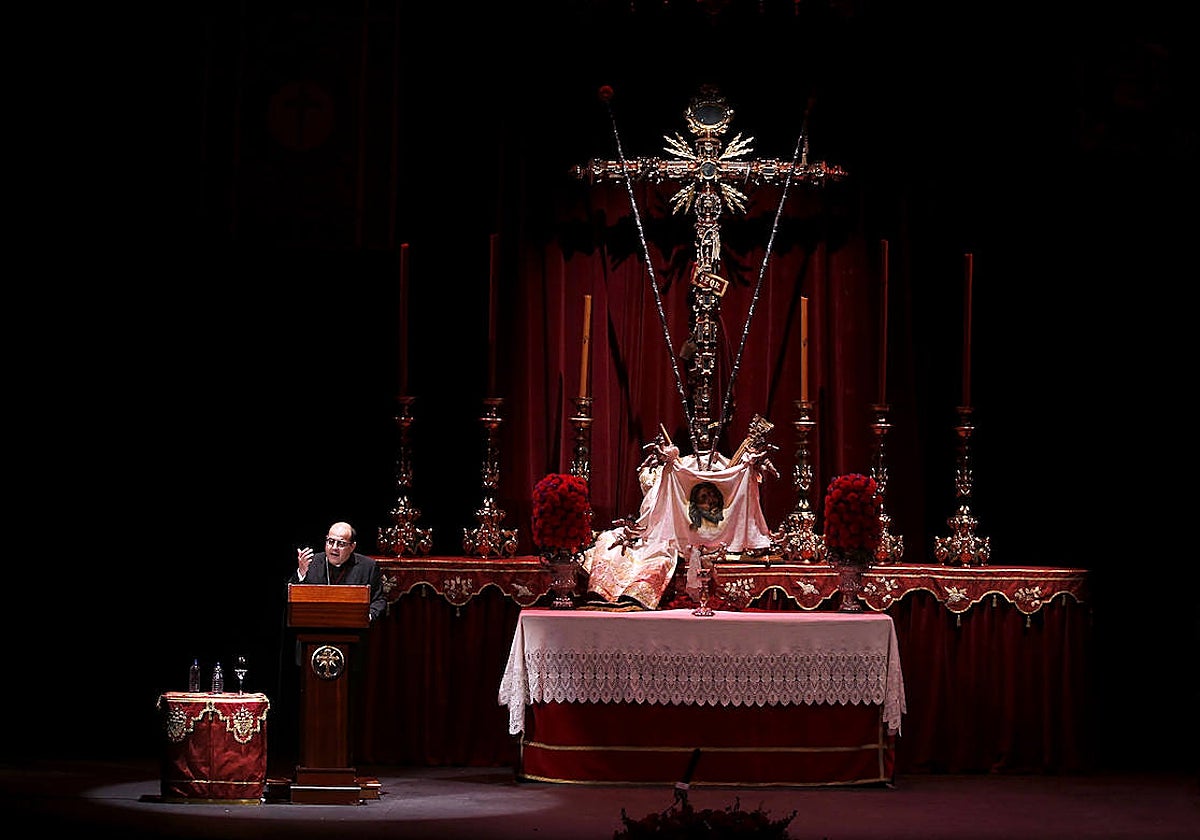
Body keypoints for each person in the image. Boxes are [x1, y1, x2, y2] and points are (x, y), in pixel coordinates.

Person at [290, 521, 387, 622]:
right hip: (315, 628)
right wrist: (301, 573)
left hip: (353, 630)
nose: (334, 547)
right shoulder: (311, 562)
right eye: (331, 541)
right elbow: (288, 597)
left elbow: (379, 600)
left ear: (352, 547)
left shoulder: (368, 567)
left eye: (341, 543)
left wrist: (368, 616)